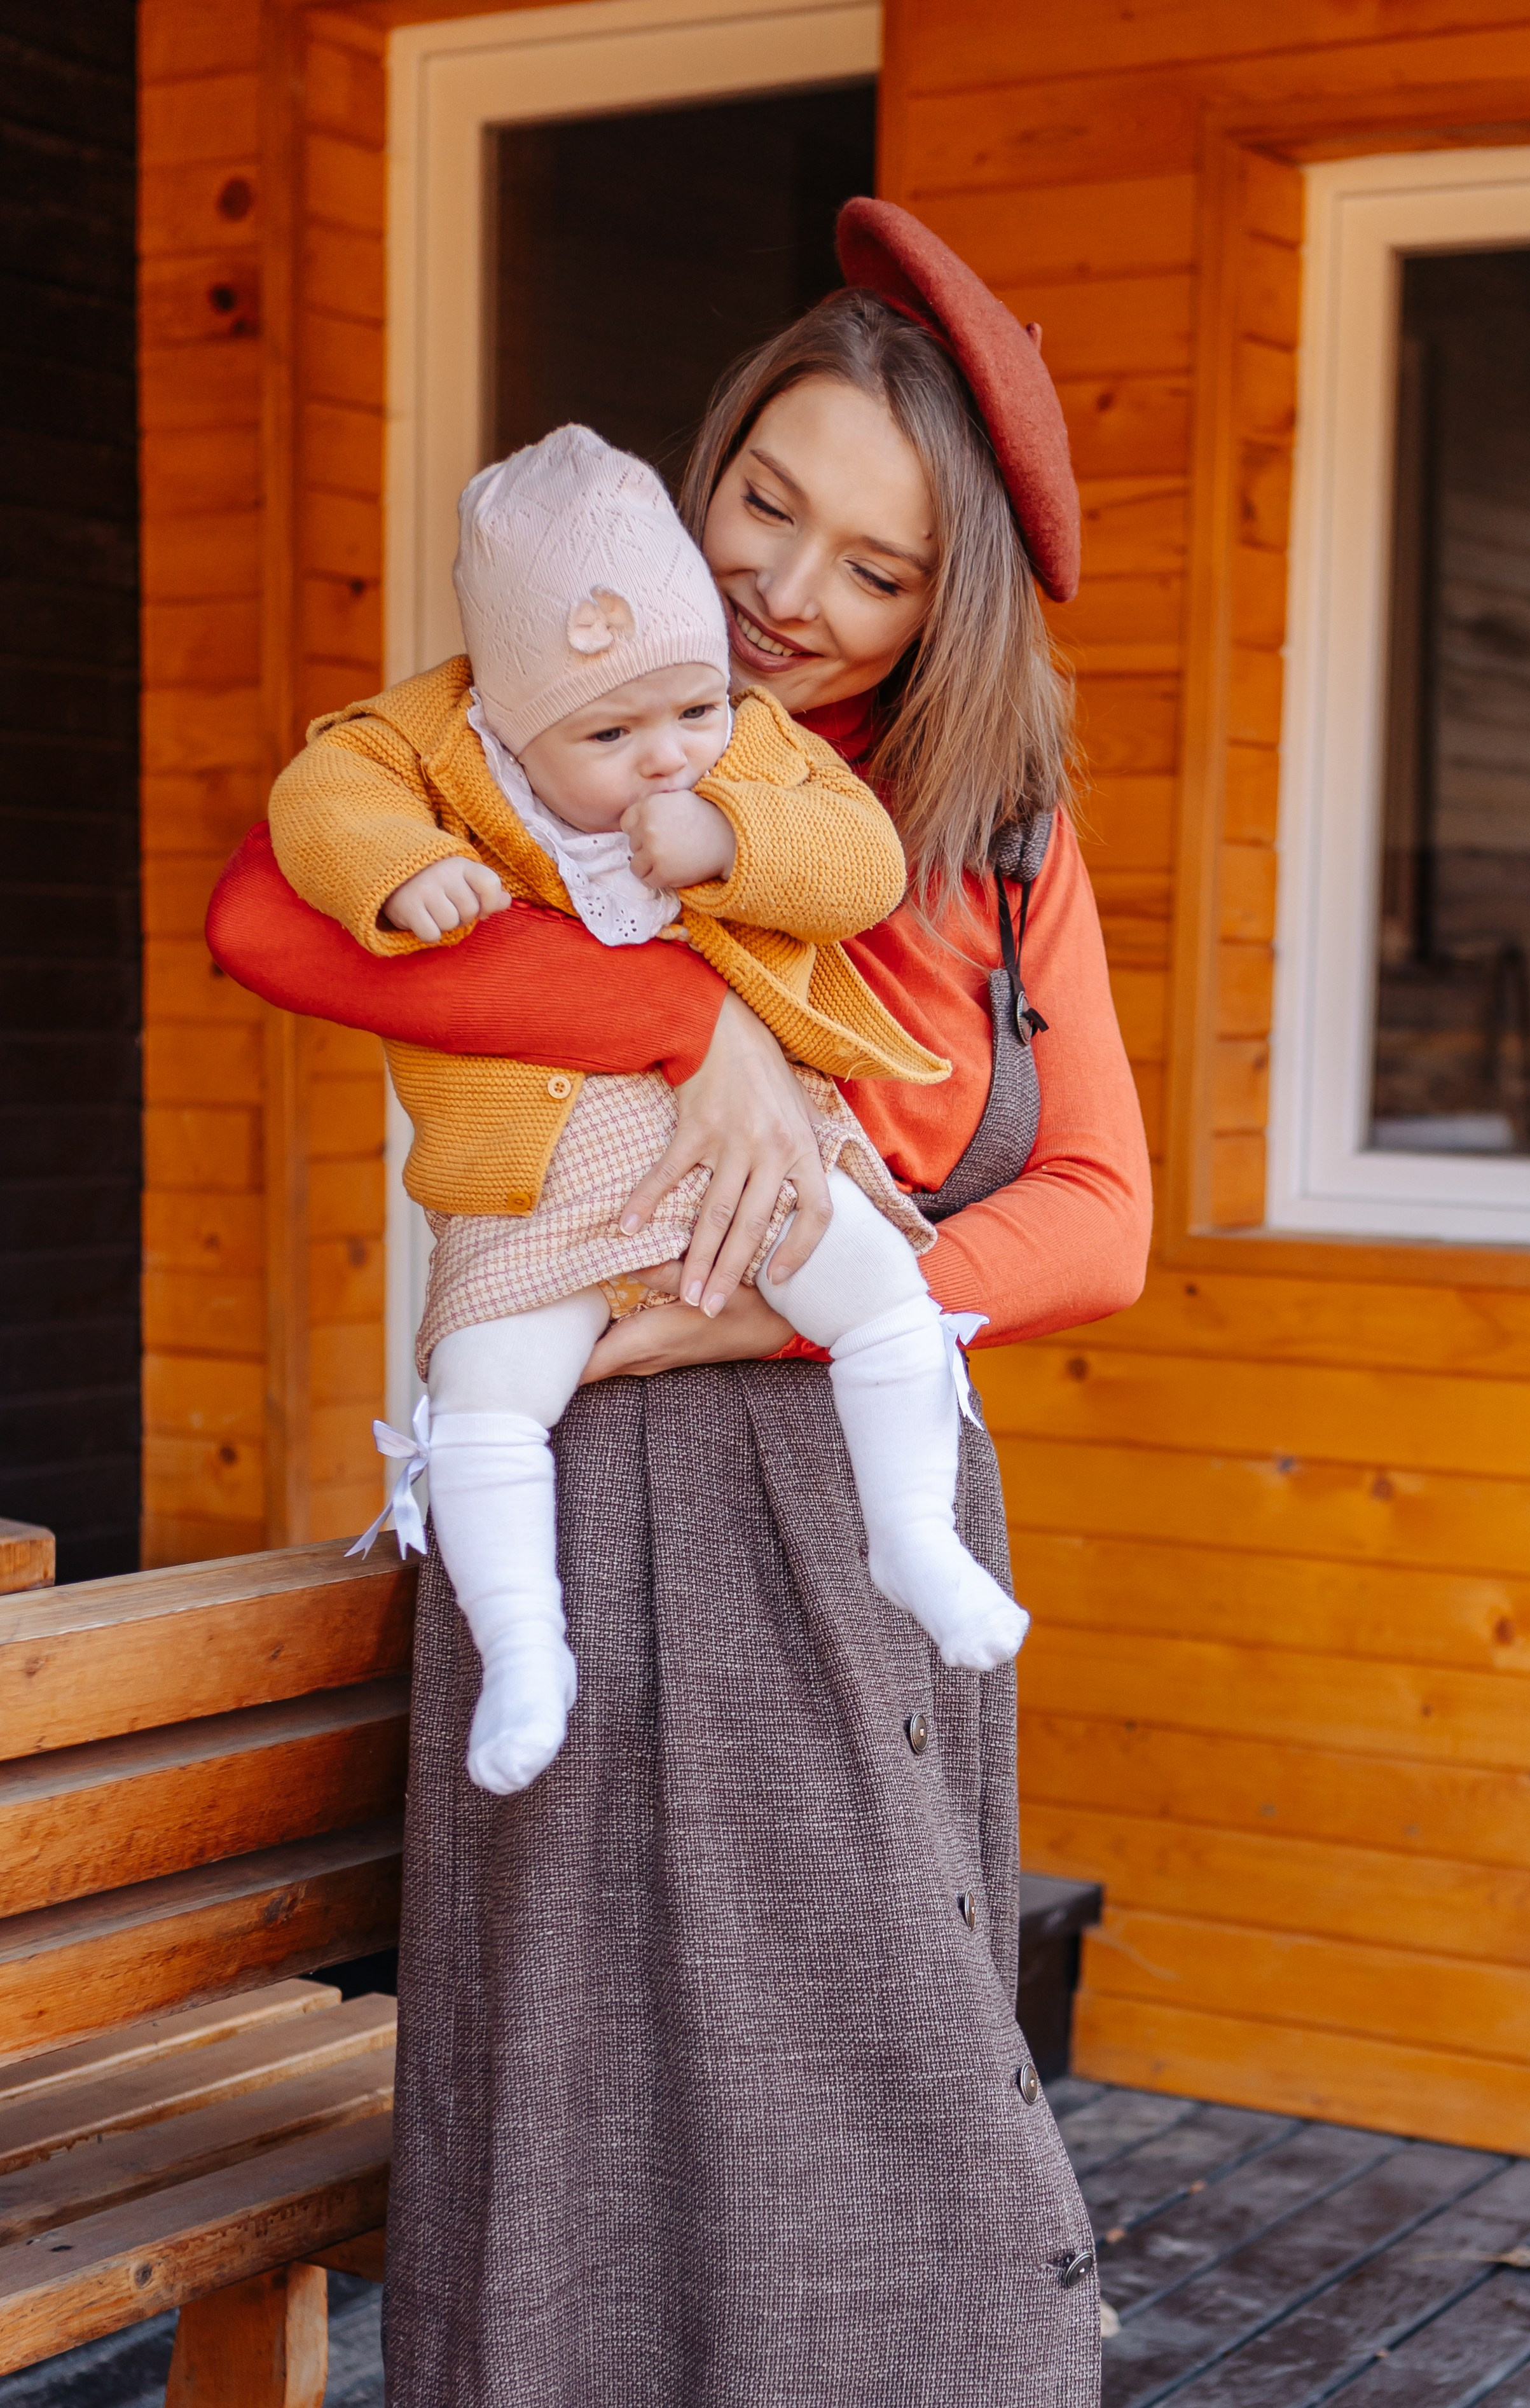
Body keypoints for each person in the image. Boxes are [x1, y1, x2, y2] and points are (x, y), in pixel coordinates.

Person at [208, 199, 1150, 2405]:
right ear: (706, 464)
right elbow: (276, 908)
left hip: (872, 1504)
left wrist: (802, 1304)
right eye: (766, 503)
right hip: (617, 1515)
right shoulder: (555, 724)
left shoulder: (996, 831)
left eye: (876, 568)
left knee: (894, 2089)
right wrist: (682, 1024)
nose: (788, 594)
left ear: (952, 601)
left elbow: (1101, 1214)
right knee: (603, 2116)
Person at [268, 424, 1026, 1797]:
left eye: (691, 711)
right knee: (483, 1403)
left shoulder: (747, 748)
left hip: (744, 1167)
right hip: (537, 1183)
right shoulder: (431, 750)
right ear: (502, 716)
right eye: (609, 734)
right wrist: (399, 874)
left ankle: (911, 1532)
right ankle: (522, 1651)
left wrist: (734, 845)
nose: (664, 755)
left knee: (884, 1304)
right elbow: (314, 798)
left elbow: (855, 860)